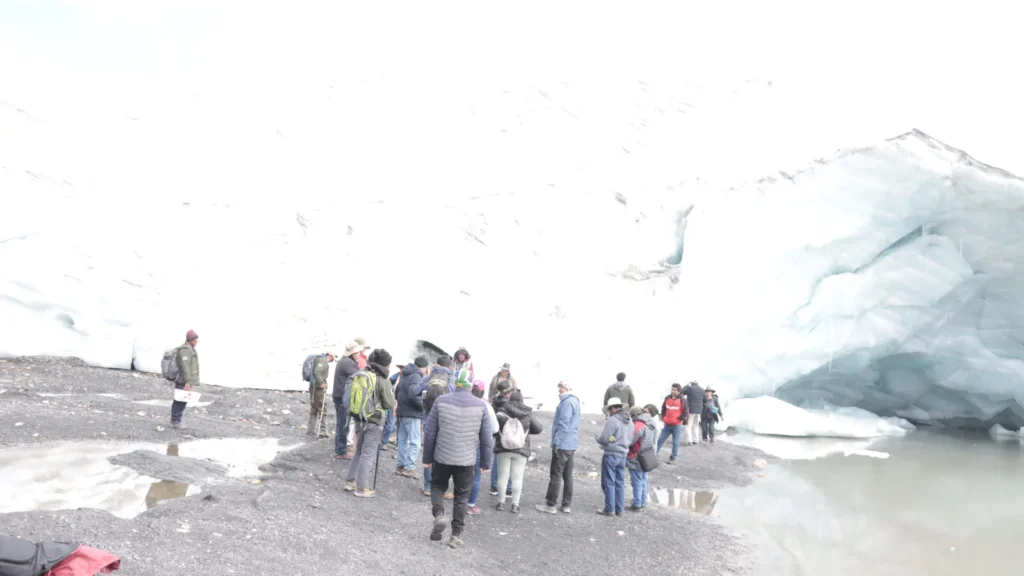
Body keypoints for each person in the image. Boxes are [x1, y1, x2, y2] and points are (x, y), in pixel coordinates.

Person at [423, 369, 494, 549]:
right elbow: (486, 437)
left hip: (442, 456)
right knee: (462, 496)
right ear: (470, 385)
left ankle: (439, 515)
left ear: (456, 384)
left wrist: (427, 458)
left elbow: (430, 433)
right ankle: (455, 536)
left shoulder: (440, 401)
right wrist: (486, 462)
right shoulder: (481, 405)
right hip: (466, 460)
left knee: (438, 486)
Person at [344, 349, 397, 498]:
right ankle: (361, 488)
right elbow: (387, 403)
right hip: (373, 420)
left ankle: (350, 481)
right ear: (386, 364)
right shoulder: (383, 379)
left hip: (358, 417)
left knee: (359, 450)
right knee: (368, 453)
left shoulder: (364, 372)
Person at [494, 389, 542, 513]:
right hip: (521, 449)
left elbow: (494, 428)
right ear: (522, 399)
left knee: (502, 477)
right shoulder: (527, 412)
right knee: (517, 478)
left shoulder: (502, 411)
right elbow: (538, 429)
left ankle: (501, 502)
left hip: (503, 448)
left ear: (510, 398)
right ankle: (515, 505)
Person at [536, 381, 580, 514]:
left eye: (560, 387)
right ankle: (566, 505)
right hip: (571, 443)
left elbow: (563, 424)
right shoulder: (575, 401)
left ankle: (551, 505)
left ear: (565, 388)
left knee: (556, 474)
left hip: (563, 444)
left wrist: (556, 443)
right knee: (568, 475)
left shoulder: (566, 402)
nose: (559, 390)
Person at [421, 355, 453, 497]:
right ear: (450, 366)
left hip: (428, 420)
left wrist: (423, 405)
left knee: (429, 451)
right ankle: (440, 488)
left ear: (436, 364)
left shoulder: (429, 377)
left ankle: (427, 486)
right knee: (443, 454)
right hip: (445, 423)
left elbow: (414, 391)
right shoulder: (451, 379)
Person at [596, 398, 632, 517]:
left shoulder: (613, 420)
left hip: (611, 453)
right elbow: (631, 437)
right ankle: (619, 509)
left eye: (609, 409)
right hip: (623, 454)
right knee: (620, 482)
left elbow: (604, 438)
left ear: (612, 408)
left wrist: (598, 438)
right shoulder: (629, 420)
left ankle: (609, 509)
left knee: (609, 482)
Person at [467, 379, 499, 514]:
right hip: (478, 441)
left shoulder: (464, 402)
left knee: (462, 472)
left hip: (463, 441)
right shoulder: (486, 406)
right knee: (476, 476)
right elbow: (495, 428)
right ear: (483, 391)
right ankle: (470, 505)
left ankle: (459, 499)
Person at [333, 339, 368, 459]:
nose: (359, 354)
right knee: (343, 424)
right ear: (353, 353)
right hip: (343, 397)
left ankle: (340, 448)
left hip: (339, 395)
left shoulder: (344, 361)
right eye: (357, 352)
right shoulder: (348, 363)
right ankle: (341, 450)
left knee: (341, 423)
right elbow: (359, 376)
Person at [395, 356, 430, 477]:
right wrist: (423, 406)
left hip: (402, 411)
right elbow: (413, 394)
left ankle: (400, 466)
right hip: (412, 413)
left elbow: (397, 391)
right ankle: (409, 468)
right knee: (415, 442)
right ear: (425, 368)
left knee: (403, 440)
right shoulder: (416, 376)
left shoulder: (405, 373)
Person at [626, 406, 656, 511]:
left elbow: (630, 442)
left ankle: (637, 504)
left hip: (636, 457)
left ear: (634, 415)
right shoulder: (651, 424)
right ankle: (643, 501)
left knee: (637, 481)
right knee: (644, 479)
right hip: (647, 456)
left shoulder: (638, 425)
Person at [169, 330, 200, 429]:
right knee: (179, 400)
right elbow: (185, 367)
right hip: (183, 381)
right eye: (195, 339)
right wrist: (188, 382)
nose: (197, 341)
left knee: (183, 400)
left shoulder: (190, 349)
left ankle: (177, 420)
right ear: (191, 340)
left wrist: (189, 382)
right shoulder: (185, 350)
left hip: (186, 381)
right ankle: (175, 421)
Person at [488, 381, 514, 496]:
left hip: (497, 432)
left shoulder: (494, 401)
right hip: (508, 434)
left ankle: (494, 487)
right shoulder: (509, 403)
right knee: (509, 461)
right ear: (507, 392)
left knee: (497, 460)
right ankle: (508, 488)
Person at [307, 351, 336, 438]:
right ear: (330, 355)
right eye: (333, 358)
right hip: (318, 388)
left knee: (314, 408)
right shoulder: (323, 361)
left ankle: (310, 430)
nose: (332, 360)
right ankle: (323, 431)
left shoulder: (318, 359)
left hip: (313, 387)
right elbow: (317, 372)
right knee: (323, 409)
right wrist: (321, 383)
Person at [657, 383, 689, 463]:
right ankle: (654, 453)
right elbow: (663, 408)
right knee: (660, 440)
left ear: (679, 391)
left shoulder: (683, 400)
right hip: (667, 425)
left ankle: (673, 457)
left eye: (674, 390)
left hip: (677, 426)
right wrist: (663, 417)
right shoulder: (667, 398)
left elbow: (686, 412)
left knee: (675, 442)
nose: (672, 391)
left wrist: (678, 420)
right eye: (672, 389)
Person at [681, 380, 706, 445]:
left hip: (691, 410)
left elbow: (682, 391)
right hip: (699, 411)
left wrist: (687, 385)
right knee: (696, 425)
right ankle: (696, 440)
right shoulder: (702, 390)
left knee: (688, 425)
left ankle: (690, 440)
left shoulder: (690, 388)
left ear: (692, 383)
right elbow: (705, 400)